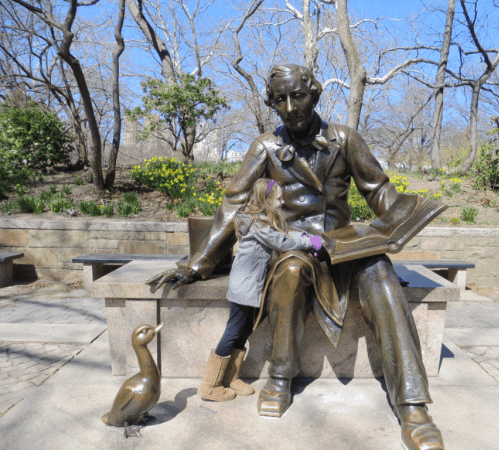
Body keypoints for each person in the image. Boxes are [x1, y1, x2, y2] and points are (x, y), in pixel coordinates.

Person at [148, 64, 443, 450]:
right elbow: (234, 205)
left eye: (297, 96)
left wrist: (407, 215)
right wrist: (197, 263)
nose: (289, 107)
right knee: (287, 272)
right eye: (280, 100)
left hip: (344, 244)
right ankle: (280, 377)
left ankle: (412, 405)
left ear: (314, 94)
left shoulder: (345, 138)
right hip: (294, 246)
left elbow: (379, 191)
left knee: (382, 276)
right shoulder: (266, 146)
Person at [199, 178, 322, 402]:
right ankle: (210, 386)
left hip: (250, 286)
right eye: (279, 198)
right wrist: (309, 242)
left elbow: (283, 234)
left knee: (243, 331)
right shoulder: (257, 223)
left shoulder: (263, 220)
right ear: (266, 200)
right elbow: (282, 243)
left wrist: (306, 237)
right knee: (233, 331)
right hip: (244, 286)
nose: (283, 201)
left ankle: (230, 377)